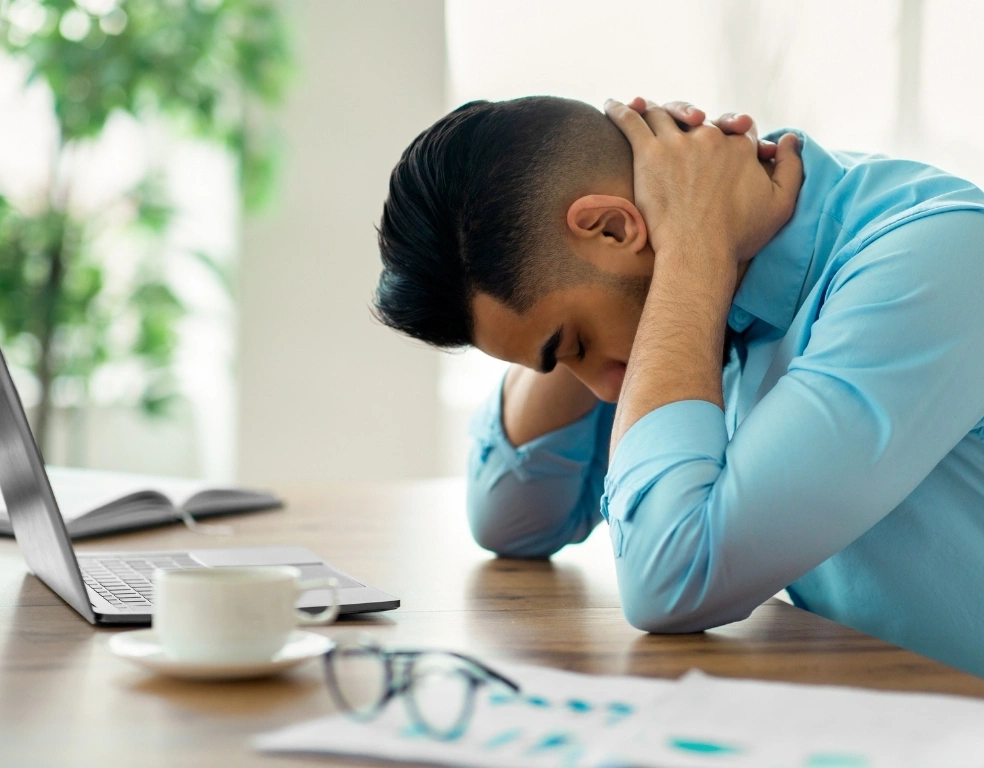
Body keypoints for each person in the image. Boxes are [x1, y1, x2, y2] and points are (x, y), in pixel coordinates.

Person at [373, 94, 984, 678]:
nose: (612, 394)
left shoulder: (935, 262)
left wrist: (693, 249)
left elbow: (671, 580)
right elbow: (510, 518)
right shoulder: (715, 278)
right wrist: (679, 245)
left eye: (575, 344)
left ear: (614, 229)